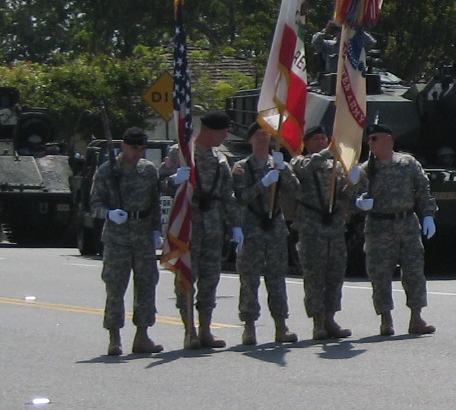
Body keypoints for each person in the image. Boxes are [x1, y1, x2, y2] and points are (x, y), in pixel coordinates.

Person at [352, 123, 436, 337]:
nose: (370, 143)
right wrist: (359, 202)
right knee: (380, 273)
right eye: (369, 139)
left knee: (414, 271)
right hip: (378, 225)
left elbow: (423, 189)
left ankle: (416, 318)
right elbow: (351, 194)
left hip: (406, 222)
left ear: (388, 140)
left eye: (374, 139)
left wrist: (428, 215)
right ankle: (386, 319)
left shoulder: (408, 163)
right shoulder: (366, 169)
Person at [91, 128, 165, 355]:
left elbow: (155, 203)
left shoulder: (148, 170)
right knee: (115, 286)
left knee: (146, 285)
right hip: (117, 237)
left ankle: (142, 336)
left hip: (143, 234)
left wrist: (156, 231)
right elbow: (94, 205)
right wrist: (110, 213)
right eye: (134, 148)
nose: (138, 153)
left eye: (142, 149)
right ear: (123, 145)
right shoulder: (107, 171)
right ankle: (114, 338)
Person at [174, 111, 240, 349]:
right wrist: (174, 179)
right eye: (222, 131)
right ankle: (189, 330)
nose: (224, 136)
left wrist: (235, 225)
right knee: (187, 278)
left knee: (210, 279)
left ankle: (205, 330)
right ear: (208, 130)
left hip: (213, 224)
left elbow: (227, 194)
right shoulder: (183, 152)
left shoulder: (220, 158)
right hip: (188, 225)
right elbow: (161, 184)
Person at [231, 125, 300, 348]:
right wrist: (262, 184)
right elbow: (240, 197)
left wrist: (284, 171)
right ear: (250, 140)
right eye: (258, 135)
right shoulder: (242, 167)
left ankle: (281, 326)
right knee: (250, 279)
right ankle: (249, 327)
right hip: (251, 228)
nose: (262, 139)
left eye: (266, 135)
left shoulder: (279, 165)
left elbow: (297, 192)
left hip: (275, 228)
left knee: (277, 278)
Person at [290, 125, 353, 340]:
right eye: (315, 139)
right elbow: (305, 170)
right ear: (306, 143)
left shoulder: (335, 165)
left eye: (323, 138)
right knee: (314, 275)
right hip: (311, 226)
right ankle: (318, 322)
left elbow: (344, 193)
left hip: (334, 225)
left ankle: (330, 318)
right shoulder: (300, 161)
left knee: (335, 274)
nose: (320, 141)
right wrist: (326, 152)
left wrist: (353, 183)